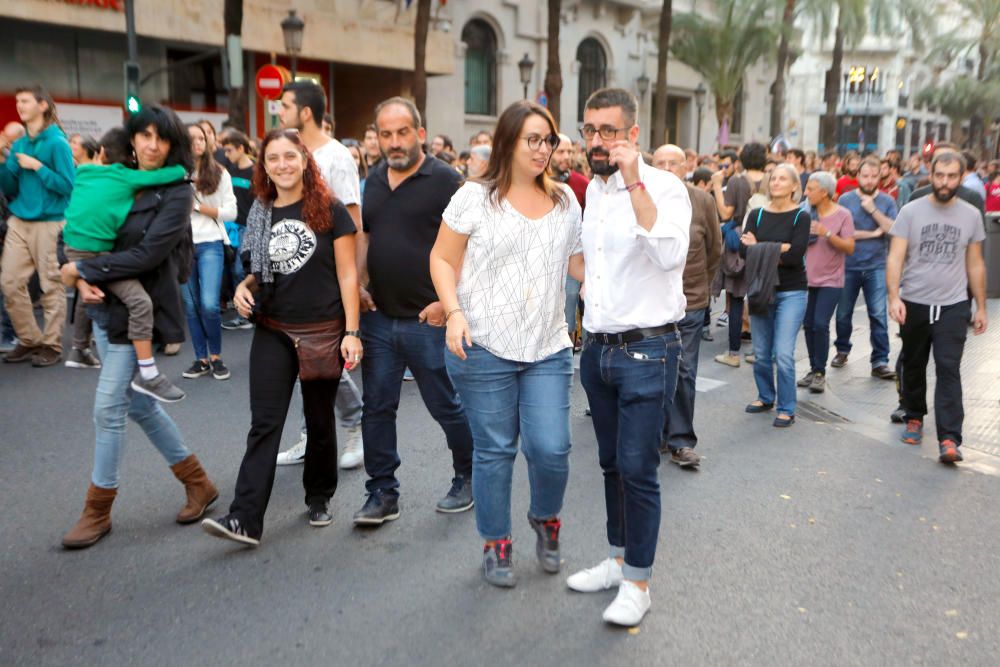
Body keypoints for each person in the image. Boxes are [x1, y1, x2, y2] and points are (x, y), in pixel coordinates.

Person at [430, 100, 583, 587]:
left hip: (547, 345)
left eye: (549, 140)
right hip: (483, 345)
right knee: (495, 451)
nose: (543, 150)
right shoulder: (473, 198)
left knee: (552, 448)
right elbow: (441, 258)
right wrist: (452, 311)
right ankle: (496, 542)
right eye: (532, 140)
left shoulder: (565, 202)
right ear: (508, 142)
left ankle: (545, 517)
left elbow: (579, 266)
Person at [59, 106, 218, 549]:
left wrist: (86, 273)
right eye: (143, 135)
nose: (150, 144)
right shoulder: (113, 173)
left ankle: (98, 510)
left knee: (108, 407)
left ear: (173, 145)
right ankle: (199, 483)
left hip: (138, 314)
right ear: (131, 138)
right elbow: (74, 225)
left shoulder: (176, 191)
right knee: (139, 406)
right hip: (103, 310)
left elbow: (149, 255)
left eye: (161, 138)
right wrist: (68, 266)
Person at [566, 88, 691, 627]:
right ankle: (619, 560)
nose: (597, 141)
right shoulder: (592, 193)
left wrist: (635, 178)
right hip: (597, 350)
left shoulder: (665, 186)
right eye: (589, 130)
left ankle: (639, 581)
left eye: (608, 132)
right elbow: (592, 267)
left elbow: (667, 254)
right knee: (610, 463)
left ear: (632, 135)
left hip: (647, 349)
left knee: (639, 468)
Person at [202, 129, 362, 545]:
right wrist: (244, 287)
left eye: (290, 156)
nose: (282, 165)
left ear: (305, 160)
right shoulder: (259, 211)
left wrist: (352, 331)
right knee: (264, 423)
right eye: (273, 158)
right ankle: (245, 518)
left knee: (320, 421)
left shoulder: (329, 209)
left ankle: (319, 494)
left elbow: (347, 274)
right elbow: (263, 268)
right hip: (273, 328)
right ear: (264, 166)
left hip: (322, 330)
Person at [353, 96, 475, 526]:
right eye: (385, 134)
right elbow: (366, 239)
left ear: (420, 134)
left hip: (429, 320)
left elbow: (469, 248)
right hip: (380, 319)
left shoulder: (446, 180)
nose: (394, 142)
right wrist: (358, 287)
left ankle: (468, 474)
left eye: (402, 132)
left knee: (446, 406)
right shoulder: (371, 181)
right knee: (377, 407)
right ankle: (382, 492)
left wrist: (448, 301)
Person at [273, 80, 365, 469]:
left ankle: (356, 425)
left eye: (284, 105)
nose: (278, 110)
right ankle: (311, 435)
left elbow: (354, 221)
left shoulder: (336, 156)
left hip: (328, 280)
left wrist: (356, 282)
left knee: (321, 360)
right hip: (291, 279)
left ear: (305, 112)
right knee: (299, 363)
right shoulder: (288, 153)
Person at [61, 127, 188, 401]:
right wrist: (182, 168)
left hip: (72, 250)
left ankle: (79, 348)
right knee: (140, 304)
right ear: (130, 153)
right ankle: (149, 373)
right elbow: (167, 175)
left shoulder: (82, 173)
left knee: (130, 405)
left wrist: (79, 275)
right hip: (98, 259)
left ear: (102, 152)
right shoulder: (125, 179)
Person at [887, 151, 987, 464]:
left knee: (948, 368)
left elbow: (975, 263)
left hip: (953, 305)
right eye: (939, 176)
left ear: (961, 177)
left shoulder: (971, 214)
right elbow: (895, 257)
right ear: (931, 176)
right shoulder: (911, 211)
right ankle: (914, 416)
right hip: (914, 301)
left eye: (951, 176)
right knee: (914, 363)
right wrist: (894, 297)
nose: (945, 182)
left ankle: (949, 438)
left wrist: (981, 306)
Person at [651, 144, 721, 468]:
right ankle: (655, 434)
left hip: (689, 300)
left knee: (684, 369)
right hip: (649, 302)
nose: (666, 168)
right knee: (653, 369)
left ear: (686, 167)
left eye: (673, 163)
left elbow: (714, 251)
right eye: (659, 163)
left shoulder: (702, 201)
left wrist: (700, 290)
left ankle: (680, 440)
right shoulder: (640, 199)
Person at [0, 85, 75, 367]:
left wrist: (38, 167)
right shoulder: (19, 144)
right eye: (17, 100)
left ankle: (52, 345)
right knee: (9, 282)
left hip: (50, 221)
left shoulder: (57, 143)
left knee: (50, 285)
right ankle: (29, 339)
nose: (19, 105)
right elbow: (9, 186)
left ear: (43, 105)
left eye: (25, 101)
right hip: (19, 220)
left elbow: (69, 185)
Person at [739, 163, 809, 426]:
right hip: (761, 289)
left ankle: (787, 407)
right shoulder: (756, 214)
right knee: (760, 350)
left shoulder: (800, 217)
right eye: (773, 179)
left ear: (794, 186)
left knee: (783, 353)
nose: (776, 183)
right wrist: (778, 248)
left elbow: (794, 257)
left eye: (783, 179)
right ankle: (765, 395)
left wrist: (761, 248)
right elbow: (745, 252)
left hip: (792, 291)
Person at [831, 156, 898, 379]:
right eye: (865, 176)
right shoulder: (846, 199)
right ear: (857, 176)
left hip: (876, 266)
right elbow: (842, 233)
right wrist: (871, 233)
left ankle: (880, 360)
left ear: (881, 177)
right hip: (848, 265)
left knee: (878, 314)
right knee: (843, 314)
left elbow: (893, 230)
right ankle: (842, 350)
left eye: (874, 176)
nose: (869, 181)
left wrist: (873, 211)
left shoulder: (887, 202)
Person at [180, 123, 237, 381]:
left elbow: (231, 212)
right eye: (191, 138)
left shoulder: (219, 172)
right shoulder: (175, 173)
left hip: (211, 242)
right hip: (182, 245)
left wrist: (199, 208)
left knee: (209, 304)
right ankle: (201, 358)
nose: (197, 143)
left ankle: (216, 356)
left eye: (201, 138)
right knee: (191, 306)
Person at [797, 172, 855, 394]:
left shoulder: (843, 215)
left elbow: (849, 247)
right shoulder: (805, 213)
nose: (806, 192)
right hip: (805, 278)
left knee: (821, 323)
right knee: (809, 324)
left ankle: (820, 372)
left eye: (810, 189)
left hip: (831, 280)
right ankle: (813, 369)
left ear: (824, 193)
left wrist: (826, 233)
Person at [713, 143, 766, 367]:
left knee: (736, 298)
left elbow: (726, 212)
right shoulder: (772, 179)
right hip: (766, 243)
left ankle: (733, 353)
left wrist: (717, 186)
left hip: (740, 242)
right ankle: (760, 351)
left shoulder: (737, 181)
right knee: (761, 297)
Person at [220, 130, 257, 330]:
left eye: (230, 150)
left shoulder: (255, 172)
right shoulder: (229, 170)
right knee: (233, 270)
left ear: (241, 148)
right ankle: (243, 312)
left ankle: (246, 313)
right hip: (230, 227)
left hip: (248, 228)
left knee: (240, 269)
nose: (227, 154)